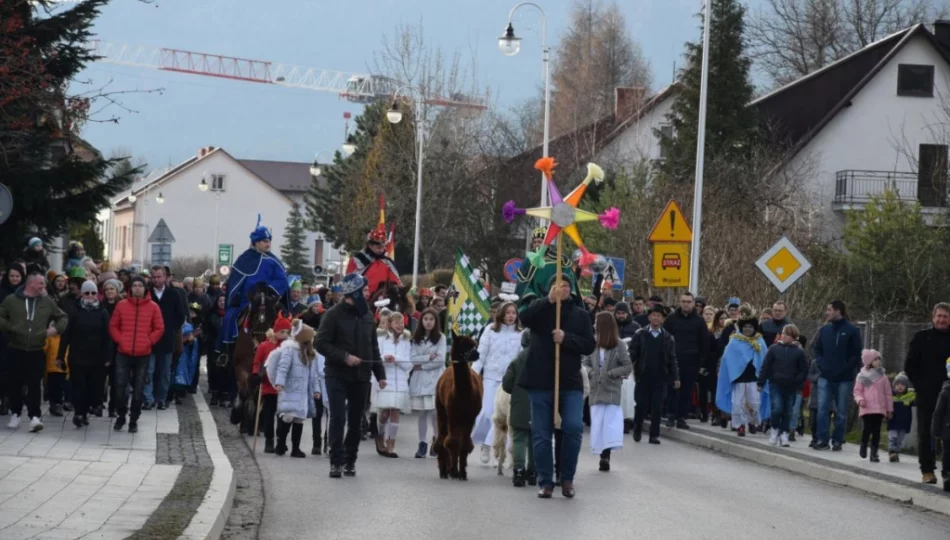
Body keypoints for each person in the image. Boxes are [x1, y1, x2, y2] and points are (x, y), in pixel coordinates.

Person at [519, 271, 595, 499]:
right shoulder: (540, 309)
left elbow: (589, 344)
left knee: (573, 428)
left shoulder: (580, 315)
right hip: (541, 380)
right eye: (556, 285)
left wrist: (567, 338)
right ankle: (545, 481)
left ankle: (567, 478)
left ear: (570, 290)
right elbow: (525, 319)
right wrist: (548, 301)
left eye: (565, 285)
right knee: (542, 434)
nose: (561, 288)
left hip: (569, 382)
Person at [315, 273, 387, 478]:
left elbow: (373, 348)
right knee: (337, 418)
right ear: (352, 294)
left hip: (362, 376)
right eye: (363, 291)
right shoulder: (332, 314)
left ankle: (350, 460)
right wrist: (344, 357)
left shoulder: (367, 316)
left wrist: (380, 374)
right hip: (336, 374)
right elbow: (320, 343)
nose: (367, 295)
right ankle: (335, 462)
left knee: (356, 421)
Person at [0, 272, 68, 432]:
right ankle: (15, 413)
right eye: (41, 284)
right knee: (14, 383)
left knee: (34, 384)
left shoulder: (46, 301)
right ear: (31, 284)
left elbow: (62, 316)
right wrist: (10, 328)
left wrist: (55, 330)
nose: (44, 287)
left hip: (37, 349)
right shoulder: (11, 300)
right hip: (15, 348)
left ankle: (34, 416)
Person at [219, 215, 290, 355]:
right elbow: (236, 282)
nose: (268, 243)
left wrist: (268, 289)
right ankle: (225, 353)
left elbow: (282, 281)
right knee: (229, 318)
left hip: (270, 299)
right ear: (256, 242)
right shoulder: (244, 259)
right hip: (247, 301)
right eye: (264, 241)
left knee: (288, 320)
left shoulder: (274, 261)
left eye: (269, 240)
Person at [471, 301, 524, 466]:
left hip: (509, 381)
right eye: (508, 313)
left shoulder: (520, 333)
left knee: (504, 417)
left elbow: (522, 358)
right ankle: (485, 445)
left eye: (513, 313)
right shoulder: (490, 330)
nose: (510, 316)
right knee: (487, 413)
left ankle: (495, 448)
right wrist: (473, 373)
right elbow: (481, 354)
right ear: (501, 314)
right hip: (491, 377)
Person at [109, 276, 164, 433]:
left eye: (140, 285)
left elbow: (159, 328)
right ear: (130, 288)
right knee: (120, 387)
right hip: (123, 353)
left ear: (145, 288)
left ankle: (133, 419)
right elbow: (113, 326)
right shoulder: (121, 305)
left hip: (143, 354)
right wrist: (121, 340)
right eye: (135, 285)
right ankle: (121, 415)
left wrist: (149, 341)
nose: (137, 288)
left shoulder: (153, 307)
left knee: (139, 389)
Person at [904, 302, 950, 484]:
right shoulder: (921, 338)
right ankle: (927, 470)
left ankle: (947, 471)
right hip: (927, 393)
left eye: (945, 316)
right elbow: (910, 366)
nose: (941, 319)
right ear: (933, 317)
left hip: (948, 395)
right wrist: (920, 385)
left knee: (948, 434)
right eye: (939, 316)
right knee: (926, 433)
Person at [582, 312, 632, 472]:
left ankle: (606, 456)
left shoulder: (619, 345)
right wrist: (590, 373)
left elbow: (627, 366)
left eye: (597, 322)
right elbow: (585, 362)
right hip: (596, 389)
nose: (595, 324)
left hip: (611, 390)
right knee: (597, 423)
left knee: (609, 424)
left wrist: (612, 373)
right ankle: (600, 452)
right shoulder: (593, 343)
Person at [58, 281, 112, 428]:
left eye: (93, 293)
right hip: (77, 355)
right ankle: (79, 413)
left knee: (92, 387)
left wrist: (108, 357)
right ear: (82, 293)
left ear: (97, 295)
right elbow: (66, 335)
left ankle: (86, 410)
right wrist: (60, 355)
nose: (90, 296)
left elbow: (107, 336)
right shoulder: (74, 311)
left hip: (97, 356)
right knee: (78, 386)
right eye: (87, 293)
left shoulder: (102, 312)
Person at [813, 300, 862, 451]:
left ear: (838, 311)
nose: (827, 313)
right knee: (822, 408)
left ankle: (838, 439)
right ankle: (822, 438)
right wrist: (822, 365)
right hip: (825, 376)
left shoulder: (852, 331)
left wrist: (846, 369)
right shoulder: (824, 330)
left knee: (841, 411)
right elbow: (816, 349)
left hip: (844, 378)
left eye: (829, 310)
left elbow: (856, 354)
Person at [273, 320, 323, 459]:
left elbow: (314, 376)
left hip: (303, 392)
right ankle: (281, 443)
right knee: (288, 416)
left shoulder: (311, 354)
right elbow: (283, 368)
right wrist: (280, 383)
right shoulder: (290, 350)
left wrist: (316, 390)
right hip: (291, 388)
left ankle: (295, 448)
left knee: (299, 419)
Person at [630, 306, 679, 444]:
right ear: (649, 317)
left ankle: (654, 435)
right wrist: (627, 367)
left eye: (659, 316)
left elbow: (672, 359)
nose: (656, 318)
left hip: (661, 377)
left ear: (663, 319)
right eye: (654, 315)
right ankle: (637, 429)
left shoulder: (668, 337)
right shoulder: (640, 334)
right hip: (643, 376)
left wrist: (675, 377)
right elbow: (633, 353)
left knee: (657, 406)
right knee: (641, 405)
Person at [716, 313, 769, 437]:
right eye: (745, 327)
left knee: (754, 401)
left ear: (754, 328)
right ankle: (740, 425)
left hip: (754, 377)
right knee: (738, 402)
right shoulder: (734, 341)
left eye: (750, 327)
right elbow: (726, 358)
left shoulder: (760, 341)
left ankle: (752, 422)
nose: (747, 329)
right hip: (738, 377)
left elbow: (765, 360)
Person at [663, 292, 708, 429]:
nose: (686, 304)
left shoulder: (699, 321)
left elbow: (704, 343)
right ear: (679, 302)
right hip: (673, 361)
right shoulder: (671, 319)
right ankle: (671, 415)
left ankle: (681, 417)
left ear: (693, 303)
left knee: (686, 390)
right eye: (683, 301)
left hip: (691, 362)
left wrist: (700, 363)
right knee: (672, 389)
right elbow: (665, 339)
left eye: (689, 302)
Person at [757, 325, 808, 447]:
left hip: (791, 386)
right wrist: (761, 382)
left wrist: (797, 382)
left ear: (794, 337)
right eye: (783, 333)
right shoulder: (774, 349)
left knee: (788, 411)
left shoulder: (799, 352)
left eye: (788, 334)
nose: (784, 336)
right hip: (775, 383)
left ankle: (784, 432)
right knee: (777, 408)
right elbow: (766, 366)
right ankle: (774, 429)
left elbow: (803, 370)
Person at [144, 265, 186, 411]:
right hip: (149, 340)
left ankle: (161, 398)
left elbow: (180, 315)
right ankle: (148, 398)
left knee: (164, 372)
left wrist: (170, 328)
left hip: (167, 339)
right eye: (154, 277)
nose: (156, 280)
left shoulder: (173, 294)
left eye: (159, 276)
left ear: (165, 277)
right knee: (148, 370)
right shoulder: (147, 293)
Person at [250, 313, 290, 453]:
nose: (285, 335)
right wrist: (256, 374)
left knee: (283, 415)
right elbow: (257, 362)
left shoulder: (289, 347)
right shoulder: (265, 346)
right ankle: (269, 440)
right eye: (282, 332)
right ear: (276, 331)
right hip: (268, 385)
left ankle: (281, 440)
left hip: (285, 387)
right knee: (269, 413)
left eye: (287, 332)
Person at [408, 308, 445, 459]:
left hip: (435, 379)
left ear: (435, 322)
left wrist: (422, 364)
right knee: (422, 413)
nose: (428, 322)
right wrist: (428, 357)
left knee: (435, 413)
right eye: (426, 319)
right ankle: (422, 443)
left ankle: (436, 441)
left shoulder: (441, 338)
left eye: (431, 319)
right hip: (419, 380)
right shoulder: (416, 338)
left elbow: (440, 360)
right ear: (421, 321)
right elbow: (412, 358)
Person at [374, 312, 411, 458]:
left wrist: (396, 359)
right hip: (385, 381)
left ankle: (391, 444)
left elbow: (409, 365)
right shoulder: (382, 339)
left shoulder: (406, 341)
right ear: (390, 324)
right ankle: (380, 434)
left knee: (395, 412)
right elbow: (376, 359)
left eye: (402, 323)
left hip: (400, 382)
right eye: (396, 323)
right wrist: (385, 358)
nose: (400, 326)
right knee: (384, 413)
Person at [503, 332, 536, 487]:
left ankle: (518, 471)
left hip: (518, 406)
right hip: (538, 405)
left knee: (519, 439)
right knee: (535, 439)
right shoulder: (544, 360)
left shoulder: (516, 361)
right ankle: (533, 472)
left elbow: (507, 385)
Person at [853, 349, 893, 463]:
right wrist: (860, 400)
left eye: (879, 358)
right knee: (867, 428)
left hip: (879, 408)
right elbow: (857, 391)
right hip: (867, 407)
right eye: (875, 359)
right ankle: (864, 444)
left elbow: (888, 394)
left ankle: (874, 453)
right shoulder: (862, 376)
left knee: (877, 431)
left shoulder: (883, 376)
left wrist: (889, 409)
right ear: (869, 361)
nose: (878, 361)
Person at [345, 224, 401, 299]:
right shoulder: (357, 260)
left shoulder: (388, 263)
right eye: (378, 247)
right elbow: (349, 283)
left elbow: (396, 283)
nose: (381, 250)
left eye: (383, 247)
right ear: (370, 245)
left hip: (382, 300)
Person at [928, 359, 950, 492]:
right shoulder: (946, 391)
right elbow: (938, 413)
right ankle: (947, 474)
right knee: (947, 453)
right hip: (948, 430)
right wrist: (935, 430)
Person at [888, 372, 915, 462]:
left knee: (900, 439)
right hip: (893, 421)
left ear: (906, 386)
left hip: (904, 422)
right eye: (898, 384)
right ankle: (892, 451)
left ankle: (896, 452)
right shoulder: (891, 396)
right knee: (893, 437)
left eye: (902, 385)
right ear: (894, 385)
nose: (900, 386)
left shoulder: (909, 396)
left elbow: (916, 401)